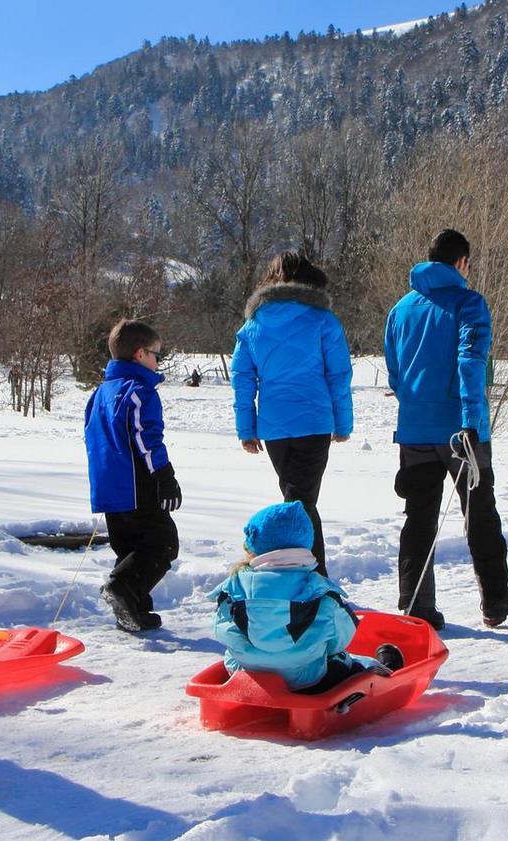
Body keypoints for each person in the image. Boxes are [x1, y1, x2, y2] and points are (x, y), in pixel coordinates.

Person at [383, 229, 508, 630]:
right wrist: (471, 420)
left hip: (413, 430)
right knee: (479, 513)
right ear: (462, 262)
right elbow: (471, 361)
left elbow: (394, 373)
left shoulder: (401, 310)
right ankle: (495, 598)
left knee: (418, 516)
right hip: (460, 430)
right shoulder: (469, 303)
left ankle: (416, 606)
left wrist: (415, 404)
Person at [230, 250, 354, 573]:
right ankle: (313, 579)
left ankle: (303, 576)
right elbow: (339, 374)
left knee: (297, 500)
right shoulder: (322, 320)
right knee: (301, 504)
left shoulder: (253, 324)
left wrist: (247, 428)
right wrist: (343, 422)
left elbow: (243, 379)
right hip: (314, 422)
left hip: (274, 428)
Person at [211, 501, 403, 693]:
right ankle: (386, 669)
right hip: (307, 682)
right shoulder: (319, 591)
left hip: (246, 676)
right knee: (350, 665)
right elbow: (340, 640)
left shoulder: (233, 588)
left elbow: (223, 631)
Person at [85, 319, 182, 632]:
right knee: (163, 543)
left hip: (108, 486)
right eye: (156, 354)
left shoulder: (100, 393)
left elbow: (92, 436)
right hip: (136, 484)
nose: (158, 361)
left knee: (130, 548)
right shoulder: (139, 391)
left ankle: (133, 610)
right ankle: (122, 589)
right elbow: (146, 438)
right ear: (140, 355)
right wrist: (165, 475)